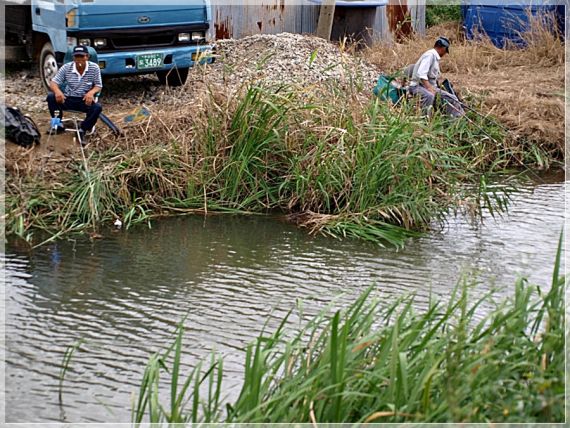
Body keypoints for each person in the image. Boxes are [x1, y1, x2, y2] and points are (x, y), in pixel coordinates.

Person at [46, 45, 103, 144]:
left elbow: (98, 85)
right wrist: (58, 91)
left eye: (82, 56)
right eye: (77, 57)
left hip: (84, 100)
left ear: (87, 57)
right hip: (68, 98)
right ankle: (57, 124)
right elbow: (53, 83)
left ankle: (83, 129)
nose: (79, 59)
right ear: (73, 57)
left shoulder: (94, 68)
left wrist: (91, 92)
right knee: (51, 97)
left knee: (97, 107)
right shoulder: (67, 67)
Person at [408, 36, 464, 118]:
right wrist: (430, 89)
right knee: (429, 96)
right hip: (417, 86)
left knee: (451, 98)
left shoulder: (434, 57)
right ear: (443, 48)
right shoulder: (430, 55)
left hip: (427, 86)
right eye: (445, 51)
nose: (444, 54)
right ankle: (425, 119)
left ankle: (455, 119)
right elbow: (421, 74)